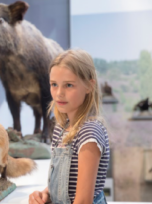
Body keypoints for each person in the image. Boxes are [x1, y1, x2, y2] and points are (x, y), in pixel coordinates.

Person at [29, 49, 110, 204]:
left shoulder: (89, 133)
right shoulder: (61, 127)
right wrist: (46, 194)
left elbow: (83, 201)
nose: (59, 93)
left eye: (69, 85)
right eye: (54, 84)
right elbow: (67, 183)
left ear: (89, 86)